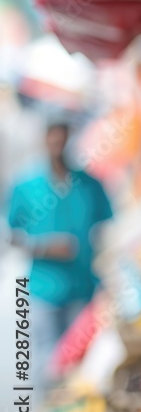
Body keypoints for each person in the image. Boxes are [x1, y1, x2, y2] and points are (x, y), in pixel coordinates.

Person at [6, 120, 113, 386]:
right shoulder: (26, 186)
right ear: (43, 138)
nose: (56, 139)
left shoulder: (89, 185)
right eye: (50, 133)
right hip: (45, 291)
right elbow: (9, 235)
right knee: (50, 365)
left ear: (69, 135)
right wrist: (43, 246)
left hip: (84, 287)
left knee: (85, 365)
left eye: (61, 132)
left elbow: (108, 230)